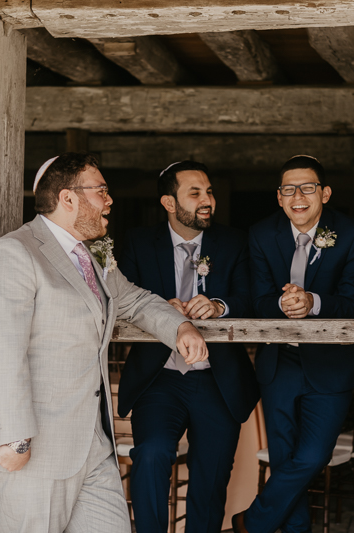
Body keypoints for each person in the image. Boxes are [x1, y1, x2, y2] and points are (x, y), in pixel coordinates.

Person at [0, 152, 208, 533]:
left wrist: (180, 327)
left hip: (91, 444)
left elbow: (134, 300)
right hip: (32, 447)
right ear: (68, 198)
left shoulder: (91, 257)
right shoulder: (14, 254)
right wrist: (16, 439)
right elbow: (1, 354)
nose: (109, 200)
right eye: (101, 190)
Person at [118, 160, 259, 533]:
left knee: (210, 476)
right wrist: (159, 308)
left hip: (217, 378)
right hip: (159, 377)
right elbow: (120, 299)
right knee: (151, 454)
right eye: (194, 193)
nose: (206, 200)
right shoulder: (137, 242)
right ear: (168, 202)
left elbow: (250, 297)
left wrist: (219, 306)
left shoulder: (233, 241)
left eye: (209, 191)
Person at [233, 155, 354, 533]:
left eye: (307, 187)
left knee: (312, 456)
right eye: (289, 189)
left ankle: (252, 523)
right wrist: (281, 303)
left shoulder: (353, 233)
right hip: (279, 363)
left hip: (330, 364)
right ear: (279, 197)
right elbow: (257, 299)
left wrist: (313, 302)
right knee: (282, 458)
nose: (298, 196)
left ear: (324, 193)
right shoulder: (262, 234)